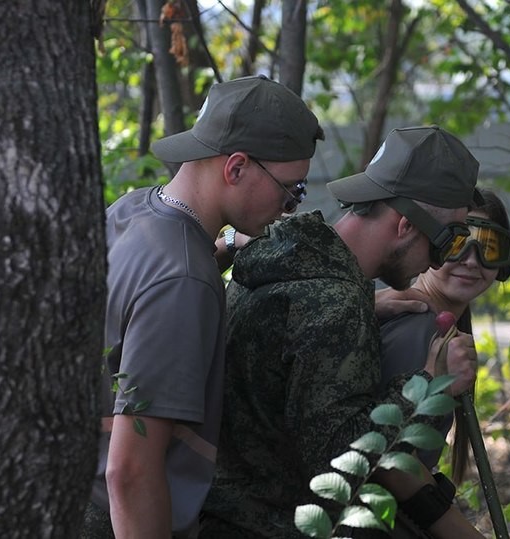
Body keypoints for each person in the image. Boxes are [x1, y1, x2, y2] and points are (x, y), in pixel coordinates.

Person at [201, 126, 488, 538]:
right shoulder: (334, 303)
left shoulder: (285, 259)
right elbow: (342, 460)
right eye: (444, 242)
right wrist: (428, 382)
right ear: (406, 225)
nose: (441, 260)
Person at [81, 75, 324, 539]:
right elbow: (130, 473)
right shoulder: (184, 281)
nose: (290, 206)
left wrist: (225, 244)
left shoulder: (133, 212)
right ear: (235, 168)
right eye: (291, 190)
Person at [377, 190, 510, 482]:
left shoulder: (437, 329)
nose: (471, 261)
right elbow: (391, 465)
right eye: (455, 243)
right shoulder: (419, 329)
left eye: (488, 248)